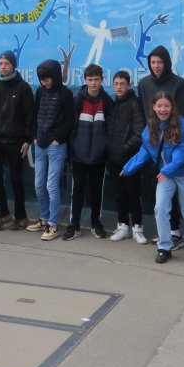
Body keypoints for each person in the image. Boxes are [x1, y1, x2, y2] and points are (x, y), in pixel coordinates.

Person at [121, 91, 184, 263]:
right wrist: (128, 168)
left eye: (166, 106)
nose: (162, 109)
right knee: (160, 208)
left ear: (172, 107)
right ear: (154, 107)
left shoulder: (181, 123)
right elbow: (145, 150)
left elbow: (183, 151)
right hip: (165, 175)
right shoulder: (150, 126)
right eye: (159, 106)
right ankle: (164, 247)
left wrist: (167, 169)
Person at [138, 45, 184, 249]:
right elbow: (143, 113)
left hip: (171, 145)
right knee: (158, 192)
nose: (156, 66)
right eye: (153, 62)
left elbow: (181, 115)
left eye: (160, 62)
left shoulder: (178, 83)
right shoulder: (144, 84)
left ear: (166, 62)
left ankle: (175, 233)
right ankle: (165, 233)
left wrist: (170, 141)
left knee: (171, 190)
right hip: (152, 144)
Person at [0, 50, 35, 231]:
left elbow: (29, 116)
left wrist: (27, 140)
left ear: (13, 65)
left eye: (6, 63)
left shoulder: (23, 88)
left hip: (16, 141)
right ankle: (3, 214)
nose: (3, 66)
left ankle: (21, 217)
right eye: (0, 63)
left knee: (15, 179)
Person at [25, 59, 74, 240]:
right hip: (40, 144)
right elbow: (35, 114)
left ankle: (53, 224)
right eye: (41, 79)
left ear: (55, 76)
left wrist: (57, 139)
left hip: (56, 146)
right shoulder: (39, 91)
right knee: (39, 185)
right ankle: (44, 219)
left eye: (47, 78)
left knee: (51, 186)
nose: (44, 82)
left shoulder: (65, 93)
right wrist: (34, 137)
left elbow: (70, 120)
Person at [65, 64, 112, 240]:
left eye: (96, 79)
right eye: (90, 79)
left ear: (102, 80)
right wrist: (73, 148)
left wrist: (104, 147)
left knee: (96, 192)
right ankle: (74, 225)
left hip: (99, 156)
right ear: (85, 80)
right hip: (79, 156)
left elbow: (110, 128)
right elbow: (71, 127)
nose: (93, 83)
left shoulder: (107, 101)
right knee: (77, 191)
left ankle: (95, 223)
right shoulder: (77, 100)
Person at [106, 71, 147, 243]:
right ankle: (123, 226)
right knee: (119, 194)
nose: (119, 87)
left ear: (129, 85)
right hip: (113, 158)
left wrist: (124, 149)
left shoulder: (134, 103)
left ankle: (138, 228)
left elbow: (140, 132)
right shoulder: (113, 103)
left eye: (122, 84)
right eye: (116, 84)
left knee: (133, 194)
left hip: (130, 159)